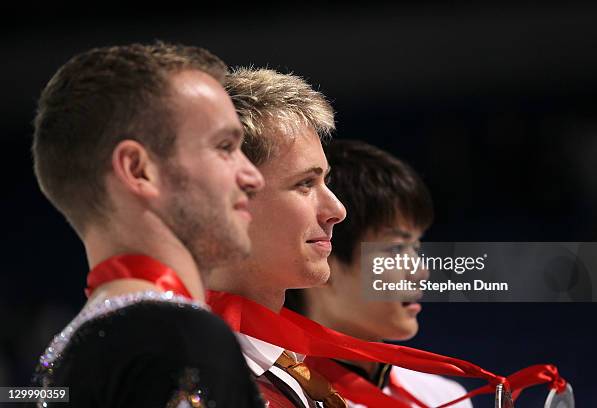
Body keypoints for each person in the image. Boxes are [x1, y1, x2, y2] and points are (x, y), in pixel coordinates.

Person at [30, 42, 265, 407]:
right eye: (225, 147)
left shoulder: (60, 361)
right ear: (139, 170)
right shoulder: (182, 339)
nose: (252, 177)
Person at [285, 140, 473, 408]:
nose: (421, 271)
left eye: (416, 246)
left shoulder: (448, 397)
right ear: (325, 258)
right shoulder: (274, 396)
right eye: (395, 249)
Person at [207, 68, 347, 407]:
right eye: (305, 184)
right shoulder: (193, 374)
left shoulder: (276, 368)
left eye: (325, 181)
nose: (337, 209)